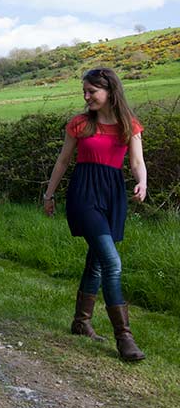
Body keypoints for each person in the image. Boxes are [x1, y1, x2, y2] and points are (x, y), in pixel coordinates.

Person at [43, 68, 147, 361]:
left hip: (112, 197)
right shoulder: (79, 124)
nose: (86, 97)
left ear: (111, 92)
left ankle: (81, 322)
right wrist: (49, 195)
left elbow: (137, 162)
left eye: (92, 91)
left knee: (99, 262)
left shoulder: (130, 126)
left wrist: (143, 181)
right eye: (84, 92)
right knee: (112, 262)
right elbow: (63, 161)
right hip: (84, 195)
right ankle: (124, 338)